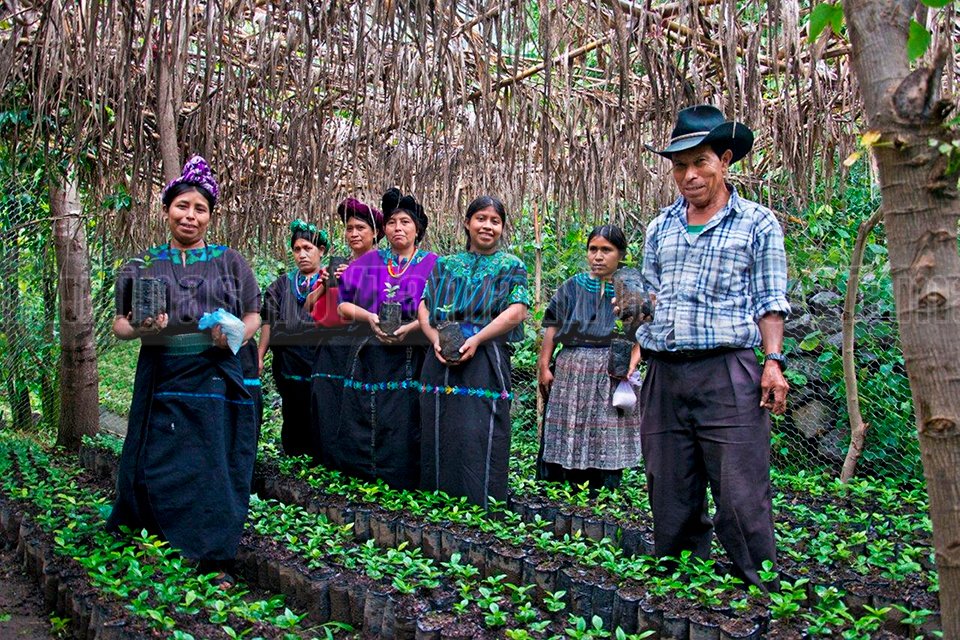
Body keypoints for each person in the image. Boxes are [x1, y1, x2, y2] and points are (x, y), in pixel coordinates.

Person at [637, 104, 790, 590]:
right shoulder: (660, 227)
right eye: (680, 166)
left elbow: (770, 300)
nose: (690, 175)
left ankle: (758, 584)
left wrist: (772, 362)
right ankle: (679, 581)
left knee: (740, 488)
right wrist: (633, 317)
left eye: (700, 162)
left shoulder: (757, 223)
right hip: (665, 373)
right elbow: (648, 299)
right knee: (669, 485)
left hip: (728, 371)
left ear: (724, 160)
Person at [107, 156, 261, 588]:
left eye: (200, 209)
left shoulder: (230, 262)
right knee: (158, 457)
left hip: (214, 373)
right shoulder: (142, 264)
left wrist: (234, 335)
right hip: (162, 373)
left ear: (210, 216)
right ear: (165, 210)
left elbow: (253, 314)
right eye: (182, 206)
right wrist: (141, 328)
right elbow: (120, 325)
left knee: (212, 461)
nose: (190, 216)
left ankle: (213, 556)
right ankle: (157, 540)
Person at [418, 195, 529, 508]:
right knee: (441, 425)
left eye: (495, 221)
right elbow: (424, 306)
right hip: (442, 355)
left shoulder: (512, 266)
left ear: (502, 228)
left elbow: (518, 310)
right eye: (481, 218)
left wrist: (478, 338)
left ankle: (483, 504)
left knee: (480, 429)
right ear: (467, 223)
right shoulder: (445, 265)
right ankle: (437, 502)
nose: (487, 226)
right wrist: (434, 339)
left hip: (486, 357)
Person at [324, 188, 438, 489]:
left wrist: (412, 327)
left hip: (414, 353)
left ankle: (405, 477)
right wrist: (370, 317)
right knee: (368, 409)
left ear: (418, 228)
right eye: (391, 222)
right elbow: (343, 305)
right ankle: (365, 473)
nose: (397, 228)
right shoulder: (369, 262)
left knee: (406, 413)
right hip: (370, 351)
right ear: (384, 229)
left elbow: (439, 309)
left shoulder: (433, 264)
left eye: (405, 222)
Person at [537, 225, 642, 493]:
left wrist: (632, 361)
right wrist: (544, 366)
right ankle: (565, 483)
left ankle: (604, 487)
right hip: (571, 366)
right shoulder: (572, 286)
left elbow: (644, 331)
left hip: (610, 368)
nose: (598, 256)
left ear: (621, 254)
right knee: (569, 423)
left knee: (607, 427)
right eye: (593, 249)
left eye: (606, 250)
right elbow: (552, 326)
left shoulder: (629, 289)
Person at [308, 198, 382, 463]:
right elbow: (309, 306)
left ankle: (355, 458)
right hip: (330, 343)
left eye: (360, 228)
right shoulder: (335, 266)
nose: (354, 233)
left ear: (375, 233)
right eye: (349, 228)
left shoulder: (383, 264)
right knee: (326, 395)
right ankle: (327, 455)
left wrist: (353, 276)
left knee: (355, 400)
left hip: (362, 343)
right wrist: (325, 285)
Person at [258, 219, 329, 457]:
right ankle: (293, 453)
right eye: (297, 249)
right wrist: (260, 356)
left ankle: (319, 456)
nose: (302, 254)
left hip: (319, 356)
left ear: (321, 250)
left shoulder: (333, 281)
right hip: (287, 358)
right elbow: (267, 323)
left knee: (318, 406)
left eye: (308, 248)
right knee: (293, 405)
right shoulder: (280, 285)